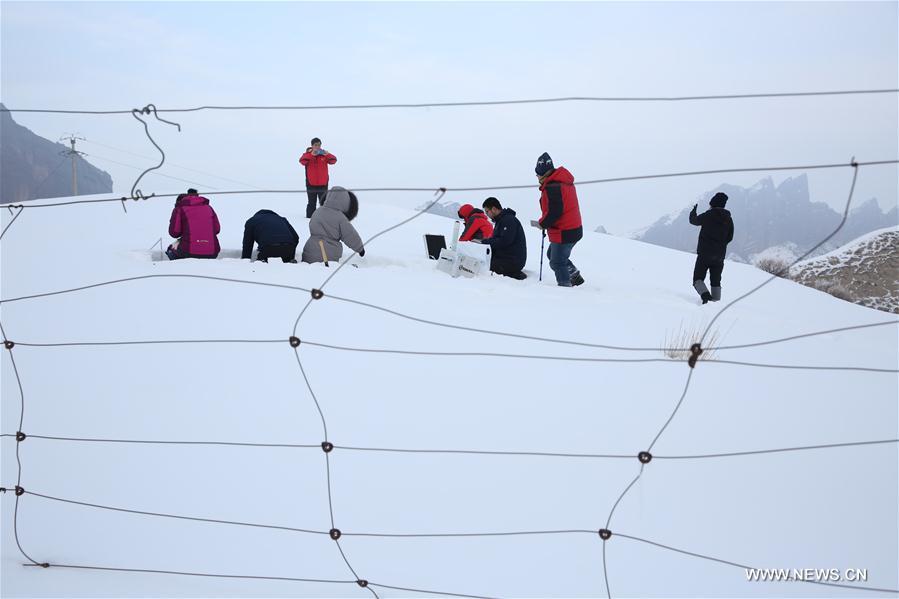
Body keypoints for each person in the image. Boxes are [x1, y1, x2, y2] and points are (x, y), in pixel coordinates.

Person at [535, 152, 584, 287]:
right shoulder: (562, 182)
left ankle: (565, 287)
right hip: (573, 228)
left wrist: (542, 223)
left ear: (543, 173)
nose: (537, 177)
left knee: (557, 262)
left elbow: (554, 212)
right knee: (553, 254)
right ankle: (573, 274)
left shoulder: (553, 187)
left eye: (537, 174)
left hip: (565, 231)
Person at [689, 192, 734, 303]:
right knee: (716, 281)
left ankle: (706, 297)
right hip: (719, 256)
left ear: (712, 204)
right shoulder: (728, 219)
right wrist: (720, 245)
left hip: (705, 254)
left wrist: (693, 212)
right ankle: (716, 302)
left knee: (697, 279)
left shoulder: (708, 215)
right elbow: (730, 237)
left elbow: (693, 221)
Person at [301, 186, 365, 264]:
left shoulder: (317, 211)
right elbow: (350, 235)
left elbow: (311, 225)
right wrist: (360, 249)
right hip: (327, 257)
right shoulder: (341, 218)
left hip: (309, 253)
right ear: (345, 203)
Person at [476, 197, 526, 280]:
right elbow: (497, 240)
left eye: (487, 211)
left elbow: (504, 241)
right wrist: (484, 242)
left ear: (494, 209)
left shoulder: (509, 220)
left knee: (481, 264)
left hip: (512, 261)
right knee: (481, 260)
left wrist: (484, 242)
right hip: (506, 258)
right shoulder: (501, 221)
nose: (486, 214)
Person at [166, 188, 220, 260]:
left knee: (170, 250)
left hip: (187, 252)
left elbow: (174, 233)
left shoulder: (180, 208)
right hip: (212, 252)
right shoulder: (209, 208)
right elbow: (217, 230)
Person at [299, 137, 337, 218]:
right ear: (312, 146)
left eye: (319, 145)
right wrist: (311, 154)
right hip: (311, 183)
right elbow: (302, 161)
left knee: (323, 203)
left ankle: (324, 218)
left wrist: (327, 154)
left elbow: (333, 160)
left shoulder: (324, 155)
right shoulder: (307, 155)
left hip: (323, 184)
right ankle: (309, 219)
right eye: (315, 145)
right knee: (311, 203)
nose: (317, 147)